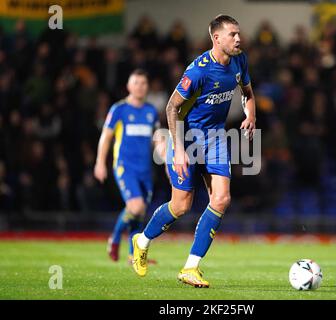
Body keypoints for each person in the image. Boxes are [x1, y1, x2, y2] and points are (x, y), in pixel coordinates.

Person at [132, 15, 256, 287]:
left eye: (239, 33)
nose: (239, 38)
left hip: (215, 139)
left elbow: (247, 91)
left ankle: (190, 267)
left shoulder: (239, 60)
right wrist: (177, 150)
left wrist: (251, 115)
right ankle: (142, 241)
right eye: (233, 34)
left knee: (221, 199)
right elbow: (171, 108)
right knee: (181, 205)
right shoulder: (198, 71)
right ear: (217, 38)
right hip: (185, 139)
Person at [94, 69, 164, 264]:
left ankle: (133, 255)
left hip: (145, 169)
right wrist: (100, 162)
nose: (140, 87)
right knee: (136, 206)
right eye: (136, 83)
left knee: (139, 212)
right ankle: (114, 239)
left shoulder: (151, 111)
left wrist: (166, 155)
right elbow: (106, 137)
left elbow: (157, 138)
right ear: (128, 86)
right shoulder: (119, 109)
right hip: (125, 166)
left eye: (143, 83)